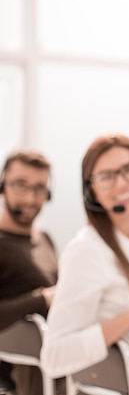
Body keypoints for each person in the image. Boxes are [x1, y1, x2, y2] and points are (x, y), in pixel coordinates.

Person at [40, 134, 129, 395]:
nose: (121, 182)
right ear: (92, 192)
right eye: (106, 176)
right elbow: (54, 357)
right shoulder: (87, 252)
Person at [0, 150, 58, 395]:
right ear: (2, 185)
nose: (30, 198)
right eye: (20, 186)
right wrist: (42, 298)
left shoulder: (45, 239)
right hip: (19, 377)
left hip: (54, 365)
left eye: (39, 188)